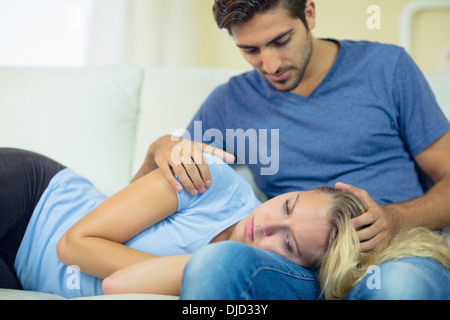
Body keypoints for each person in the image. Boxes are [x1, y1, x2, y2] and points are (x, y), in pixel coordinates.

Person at [142, 0, 450, 299]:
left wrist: (394, 218)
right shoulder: (229, 103)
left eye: (281, 41)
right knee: (218, 262)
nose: (271, 65)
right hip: (297, 268)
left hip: (393, 254)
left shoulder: (386, 67)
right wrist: (156, 150)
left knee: (401, 288)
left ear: (309, 13)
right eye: (250, 50)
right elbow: (136, 203)